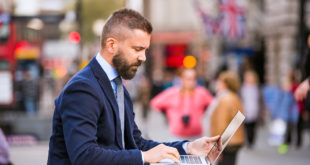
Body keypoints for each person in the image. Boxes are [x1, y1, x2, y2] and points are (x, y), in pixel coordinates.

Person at [47, 8, 222, 165]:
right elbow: (84, 156)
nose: (143, 57)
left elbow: (136, 143)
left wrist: (189, 147)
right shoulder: (82, 89)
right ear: (112, 45)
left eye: (145, 50)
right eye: (137, 49)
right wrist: (143, 157)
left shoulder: (119, 87)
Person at [150, 69, 213, 140]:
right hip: (177, 137)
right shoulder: (172, 93)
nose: (191, 82)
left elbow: (214, 105)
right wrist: (167, 114)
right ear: (182, 79)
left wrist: (204, 112)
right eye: (188, 79)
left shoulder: (202, 93)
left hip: (197, 136)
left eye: (193, 78)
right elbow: (154, 103)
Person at [208, 71, 245, 165]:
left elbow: (221, 124)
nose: (217, 83)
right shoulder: (234, 97)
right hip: (234, 140)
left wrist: (217, 146)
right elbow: (239, 119)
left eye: (219, 81)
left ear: (225, 84)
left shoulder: (224, 99)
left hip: (226, 142)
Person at [240, 70, 260, 148]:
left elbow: (260, 100)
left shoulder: (257, 88)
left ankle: (251, 140)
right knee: (246, 126)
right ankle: (248, 141)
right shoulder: (242, 88)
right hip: (245, 109)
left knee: (253, 127)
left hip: (255, 110)